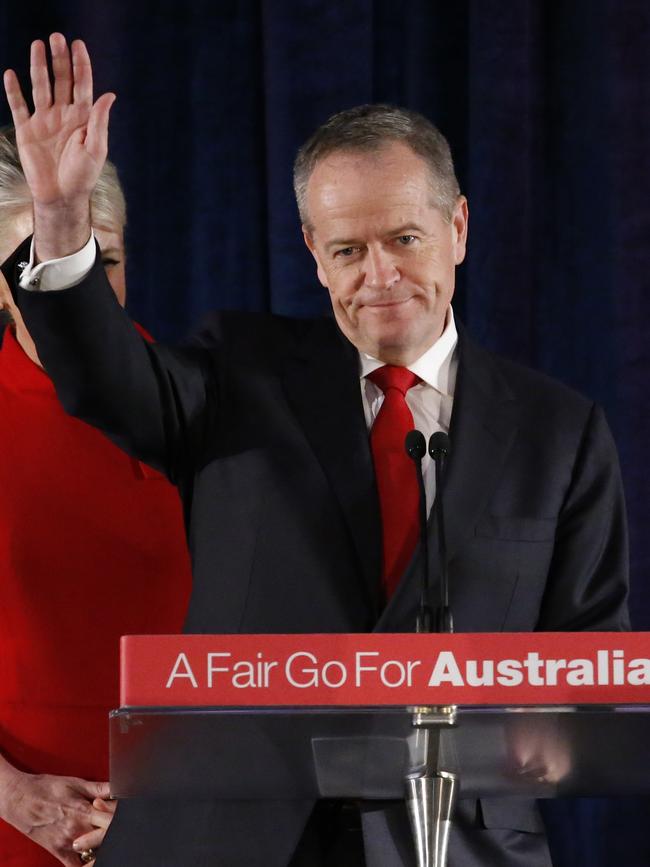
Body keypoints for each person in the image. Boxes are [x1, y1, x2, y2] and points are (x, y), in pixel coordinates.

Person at [3, 33, 629, 867]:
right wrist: (58, 220)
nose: (380, 275)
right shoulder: (241, 375)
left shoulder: (561, 432)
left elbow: (586, 686)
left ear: (459, 228)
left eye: (405, 239)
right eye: (348, 249)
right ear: (312, 252)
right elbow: (99, 379)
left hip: (451, 845)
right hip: (238, 844)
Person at [0, 124, 192, 867]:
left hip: (183, 833)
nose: (71, 292)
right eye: (37, 262)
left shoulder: (204, 406)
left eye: (97, 261)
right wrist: (17, 798)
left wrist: (174, 806)